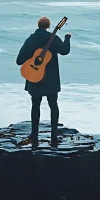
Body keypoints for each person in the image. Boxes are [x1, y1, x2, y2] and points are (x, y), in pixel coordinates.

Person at [16, 16, 71, 149]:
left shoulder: (31, 39)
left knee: (35, 105)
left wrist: (31, 61)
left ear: (38, 25)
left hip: (34, 79)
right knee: (53, 105)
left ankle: (34, 134)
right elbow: (65, 50)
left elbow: (19, 60)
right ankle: (53, 135)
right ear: (48, 26)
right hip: (51, 80)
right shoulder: (52, 39)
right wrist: (67, 38)